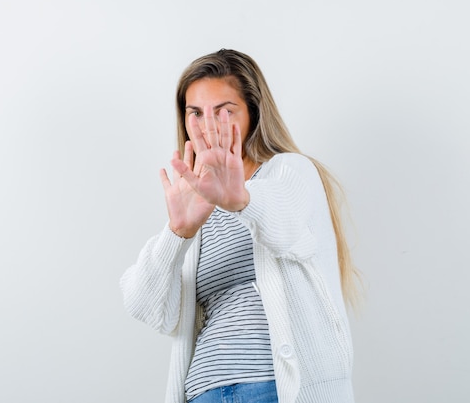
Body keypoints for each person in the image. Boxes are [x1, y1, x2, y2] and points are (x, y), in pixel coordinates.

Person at [120, 49, 360, 403]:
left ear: (253, 113)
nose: (209, 125)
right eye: (196, 113)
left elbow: (287, 225)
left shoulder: (288, 172)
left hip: (276, 389)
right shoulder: (194, 204)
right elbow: (146, 305)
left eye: (225, 111)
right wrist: (177, 233)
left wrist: (241, 200)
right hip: (205, 392)